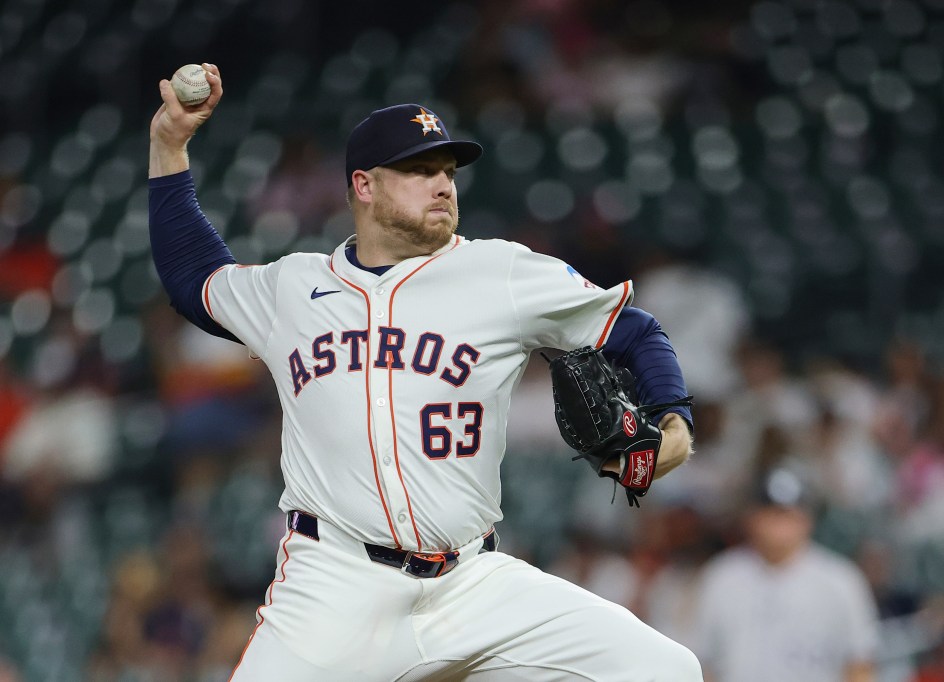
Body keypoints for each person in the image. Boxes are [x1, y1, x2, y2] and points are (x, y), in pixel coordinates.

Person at [148, 64, 702, 681]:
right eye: (417, 171)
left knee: (665, 670)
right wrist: (169, 147)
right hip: (336, 586)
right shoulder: (293, 288)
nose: (441, 185)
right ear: (364, 185)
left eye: (447, 171)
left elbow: (636, 330)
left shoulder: (504, 274)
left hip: (472, 582)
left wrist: (673, 424)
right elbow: (191, 278)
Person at [690, 467, 879, 682]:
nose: (779, 525)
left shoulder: (841, 580)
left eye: (788, 515)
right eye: (771, 513)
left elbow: (859, 665)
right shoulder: (721, 577)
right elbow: (702, 664)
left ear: (808, 519)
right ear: (752, 517)